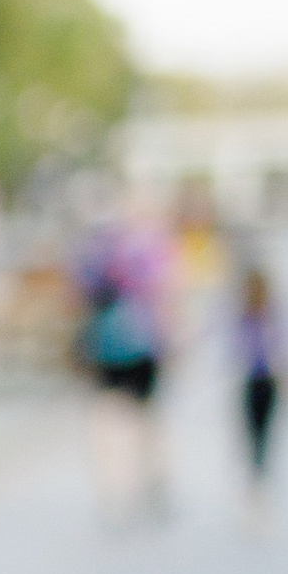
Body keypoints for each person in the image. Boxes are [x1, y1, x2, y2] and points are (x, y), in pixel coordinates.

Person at [71, 203, 172, 520]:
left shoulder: (93, 260)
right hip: (137, 346)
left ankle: (120, 487)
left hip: (110, 348)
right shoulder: (139, 255)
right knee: (141, 419)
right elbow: (161, 295)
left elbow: (78, 302)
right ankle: (147, 483)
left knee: (111, 421)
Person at [232, 254, 287, 494]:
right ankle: (255, 475)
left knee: (263, 431)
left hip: (267, 379)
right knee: (252, 430)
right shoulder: (243, 316)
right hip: (251, 379)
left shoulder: (272, 315)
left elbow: (283, 347)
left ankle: (260, 475)